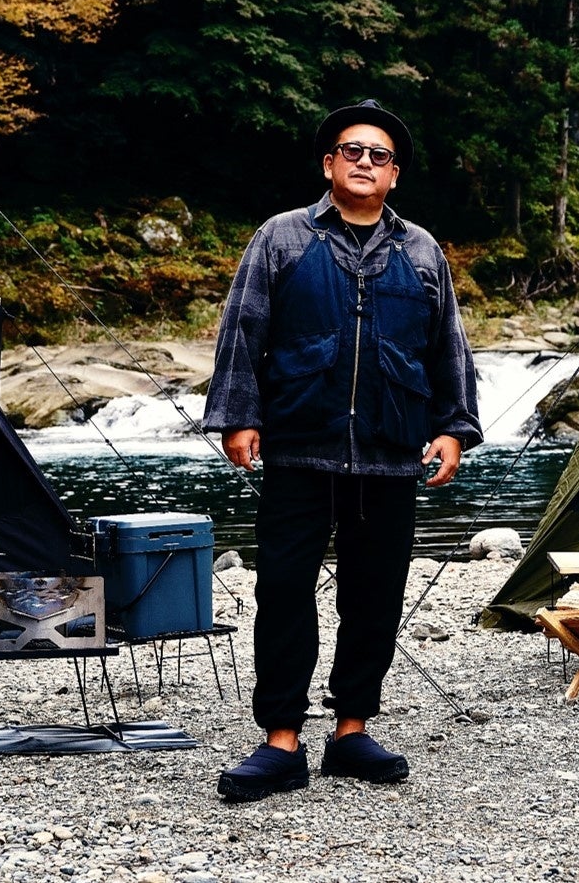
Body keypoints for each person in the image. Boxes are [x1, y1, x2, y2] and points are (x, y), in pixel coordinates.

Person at [204, 99, 481, 802]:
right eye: (351, 151)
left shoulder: (421, 250)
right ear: (329, 164)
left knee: (375, 596)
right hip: (299, 446)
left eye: (379, 155)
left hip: (391, 451)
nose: (364, 162)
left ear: (394, 175)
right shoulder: (282, 237)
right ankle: (281, 741)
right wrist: (238, 416)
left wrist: (453, 427)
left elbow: (448, 345)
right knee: (283, 591)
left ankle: (351, 730)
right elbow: (243, 328)